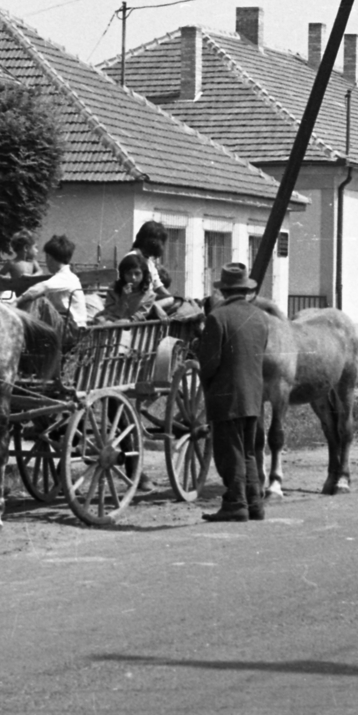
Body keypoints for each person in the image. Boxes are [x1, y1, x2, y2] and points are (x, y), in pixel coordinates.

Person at [194, 262, 270, 522]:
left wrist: (205, 380)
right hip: (254, 395)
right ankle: (255, 503)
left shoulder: (217, 317)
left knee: (230, 452)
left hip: (226, 396)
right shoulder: (260, 317)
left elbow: (210, 362)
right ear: (246, 290)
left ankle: (236, 503)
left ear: (224, 291)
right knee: (248, 450)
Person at [17, 235, 89, 328]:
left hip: (72, 329)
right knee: (38, 299)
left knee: (40, 301)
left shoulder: (65, 277)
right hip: (68, 326)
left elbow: (42, 287)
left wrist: (16, 301)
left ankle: (24, 329)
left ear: (49, 257)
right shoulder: (64, 277)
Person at [97, 252, 157, 323]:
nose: (133, 278)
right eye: (129, 274)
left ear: (143, 274)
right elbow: (111, 312)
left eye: (137, 273)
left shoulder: (149, 295)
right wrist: (123, 298)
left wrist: (126, 321)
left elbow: (138, 317)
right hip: (110, 322)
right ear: (123, 275)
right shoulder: (114, 288)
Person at [132, 220, 176, 313]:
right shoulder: (133, 258)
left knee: (179, 302)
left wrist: (172, 298)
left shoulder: (149, 261)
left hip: (149, 301)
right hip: (138, 305)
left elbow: (158, 287)